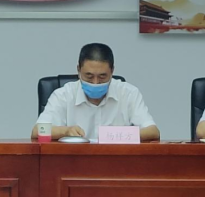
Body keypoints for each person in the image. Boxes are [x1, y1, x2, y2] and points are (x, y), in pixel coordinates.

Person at [32, 43, 160, 141]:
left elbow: (153, 132)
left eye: (102, 77)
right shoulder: (63, 95)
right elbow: (37, 131)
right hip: (73, 162)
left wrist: (116, 136)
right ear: (78, 70)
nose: (95, 82)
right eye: (89, 76)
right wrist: (65, 131)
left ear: (112, 71)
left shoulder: (128, 93)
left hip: (117, 162)